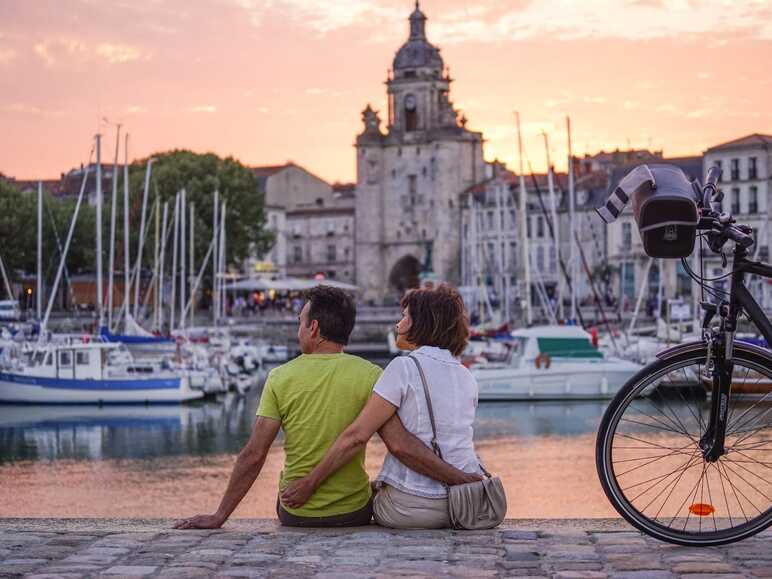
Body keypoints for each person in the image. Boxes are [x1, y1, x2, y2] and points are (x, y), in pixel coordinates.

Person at [174, 285, 476, 530]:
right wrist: (462, 479)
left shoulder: (279, 377)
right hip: (354, 512)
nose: (299, 329)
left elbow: (254, 455)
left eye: (299, 323)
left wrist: (219, 516)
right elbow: (398, 442)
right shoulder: (372, 375)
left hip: (296, 513)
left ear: (313, 328)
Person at [282, 285, 484, 529]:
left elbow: (369, 439)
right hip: (465, 501)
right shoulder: (466, 376)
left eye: (404, 317)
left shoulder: (403, 368)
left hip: (414, 506)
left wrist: (310, 484)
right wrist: (462, 480)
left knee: (359, 500)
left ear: (422, 323)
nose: (397, 325)